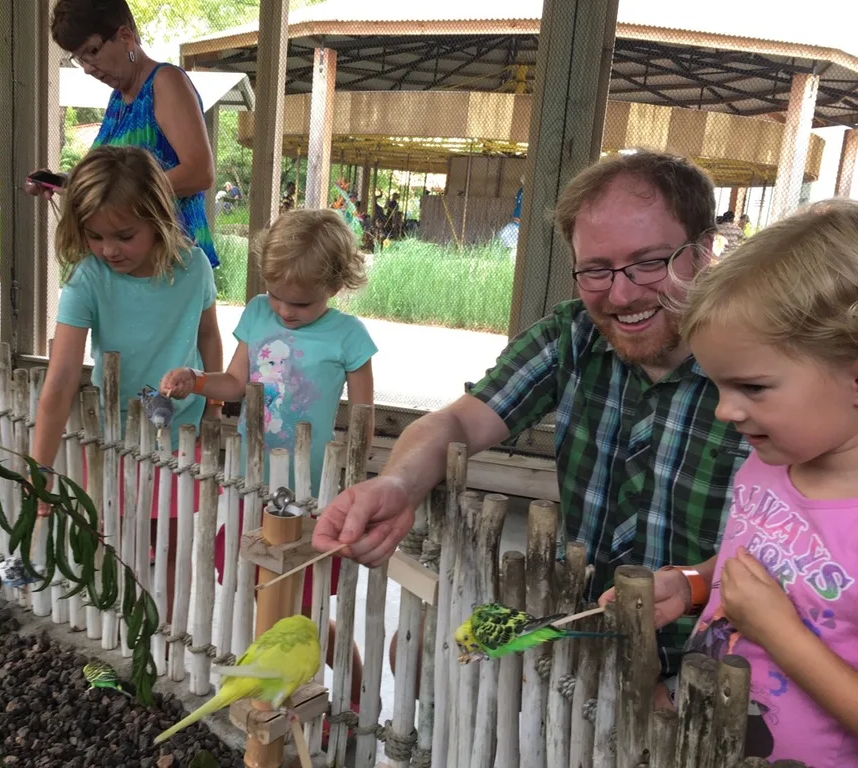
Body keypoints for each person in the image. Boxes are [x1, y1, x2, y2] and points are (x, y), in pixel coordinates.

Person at [314, 150, 751, 686]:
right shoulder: (573, 335)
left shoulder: (767, 369)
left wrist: (691, 607)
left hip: (718, 654)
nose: (622, 293)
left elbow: (806, 550)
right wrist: (397, 485)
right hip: (576, 619)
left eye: (650, 262)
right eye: (596, 269)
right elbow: (457, 424)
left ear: (703, 252)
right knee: (427, 648)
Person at [602, 199, 858, 765]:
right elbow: (773, 561)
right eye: (720, 386)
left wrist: (780, 635)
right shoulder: (770, 462)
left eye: (754, 387)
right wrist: (693, 584)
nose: (725, 411)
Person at [160, 207, 377, 731]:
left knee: (306, 609)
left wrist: (350, 482)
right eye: (275, 294)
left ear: (336, 284)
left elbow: (364, 420)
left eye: (299, 302)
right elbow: (236, 383)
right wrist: (197, 380)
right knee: (258, 590)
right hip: (253, 483)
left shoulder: (348, 335)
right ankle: (272, 693)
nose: (284, 309)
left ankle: (349, 697)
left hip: (311, 493)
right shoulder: (257, 315)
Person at [30, 145, 222, 620]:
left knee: (173, 543)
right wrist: (40, 468)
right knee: (111, 540)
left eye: (124, 235)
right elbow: (61, 379)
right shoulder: (87, 279)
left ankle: (170, 634)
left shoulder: (194, 266)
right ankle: (115, 632)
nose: (108, 249)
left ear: (158, 219)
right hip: (113, 432)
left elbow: (208, 336)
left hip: (181, 430)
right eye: (94, 235)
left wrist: (215, 406)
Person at [28, 0, 219, 270]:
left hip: (171, 263)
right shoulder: (118, 99)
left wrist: (121, 196)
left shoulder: (165, 82)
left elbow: (200, 173)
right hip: (130, 265)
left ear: (126, 37)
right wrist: (68, 183)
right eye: (79, 58)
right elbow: (113, 178)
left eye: (92, 51)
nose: (87, 68)